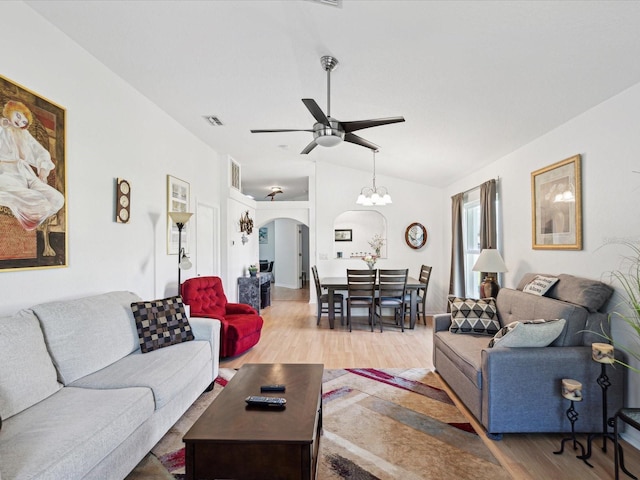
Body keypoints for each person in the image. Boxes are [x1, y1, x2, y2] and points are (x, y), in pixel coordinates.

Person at [0, 100, 64, 232]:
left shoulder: (24, 134)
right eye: (18, 116)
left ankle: (27, 210)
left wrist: (43, 171)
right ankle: (21, 205)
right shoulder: (2, 127)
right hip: (6, 172)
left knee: (58, 200)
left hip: (26, 172)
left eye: (24, 121)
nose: (19, 122)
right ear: (10, 111)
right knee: (40, 202)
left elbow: (41, 153)